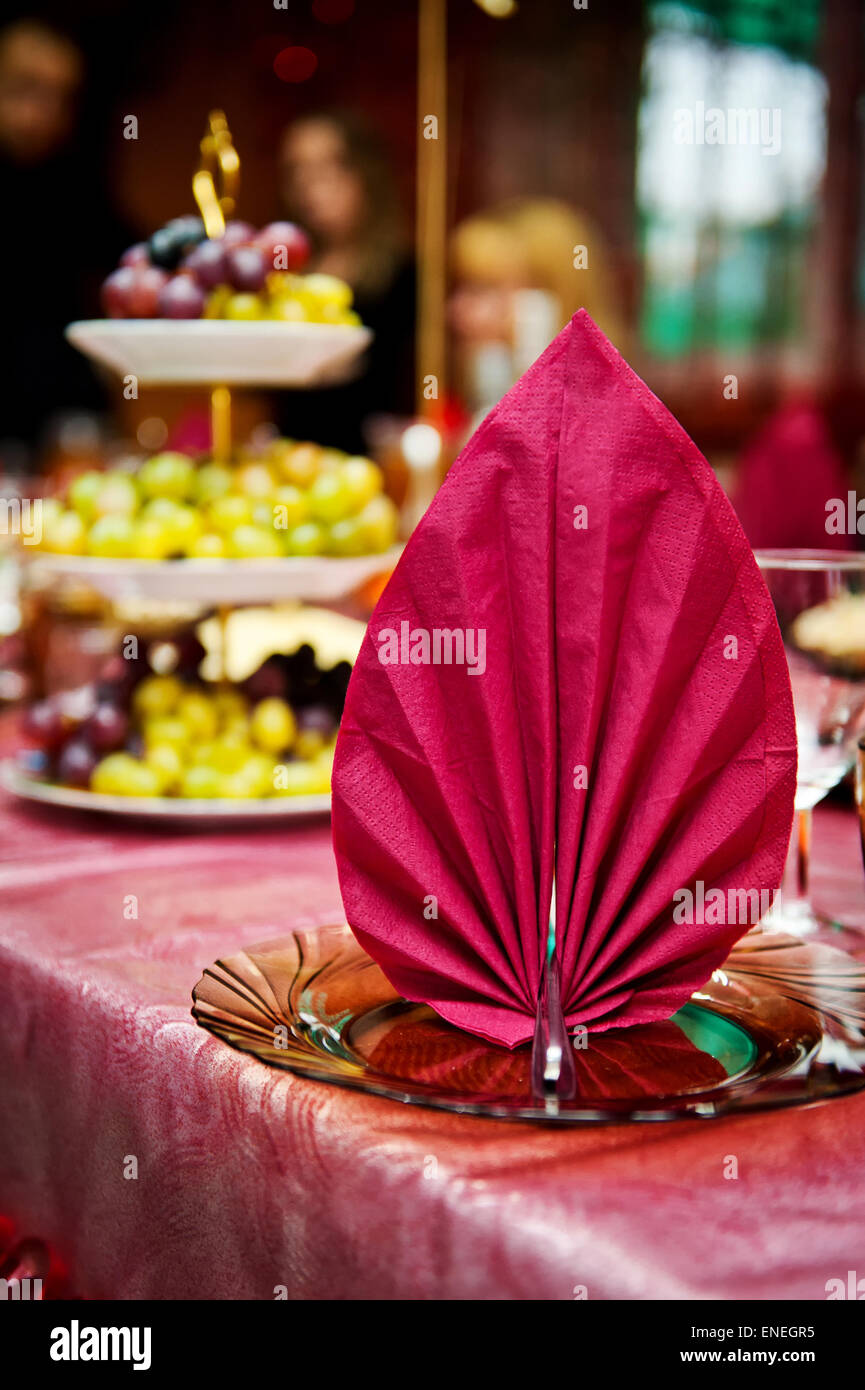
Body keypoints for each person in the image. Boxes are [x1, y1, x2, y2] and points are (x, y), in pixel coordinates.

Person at [0, 19, 130, 463]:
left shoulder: (72, 181)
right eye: (25, 88)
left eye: (60, 97)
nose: (44, 112)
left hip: (57, 424)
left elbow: (128, 253)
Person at [276, 111, 415, 454]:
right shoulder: (283, 277)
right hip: (289, 464)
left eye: (329, 166)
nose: (310, 185)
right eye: (297, 170)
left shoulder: (405, 276)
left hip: (372, 470)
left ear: (365, 172)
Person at [449, 198, 625, 420]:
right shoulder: (462, 406)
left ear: (543, 300)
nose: (456, 309)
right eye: (460, 287)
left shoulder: (595, 421)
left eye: (482, 289)